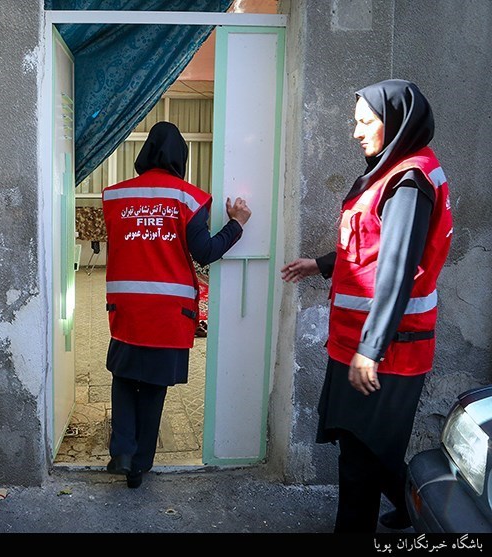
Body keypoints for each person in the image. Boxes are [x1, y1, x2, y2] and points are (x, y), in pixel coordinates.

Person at [281, 80, 452, 533]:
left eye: (364, 122)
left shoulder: (408, 181)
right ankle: (421, 511)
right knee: (370, 450)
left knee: (361, 460)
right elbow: (372, 249)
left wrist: (370, 350)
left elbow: (397, 269)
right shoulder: (391, 173)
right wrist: (320, 264)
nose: (355, 133)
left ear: (393, 122)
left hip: (389, 349)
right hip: (365, 343)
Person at [102, 121, 251, 488]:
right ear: (180, 157)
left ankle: (121, 450)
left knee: (123, 377)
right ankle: (138, 466)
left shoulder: (115, 196)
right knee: (153, 388)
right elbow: (204, 252)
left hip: (127, 307)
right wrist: (237, 225)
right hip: (169, 312)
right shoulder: (189, 198)